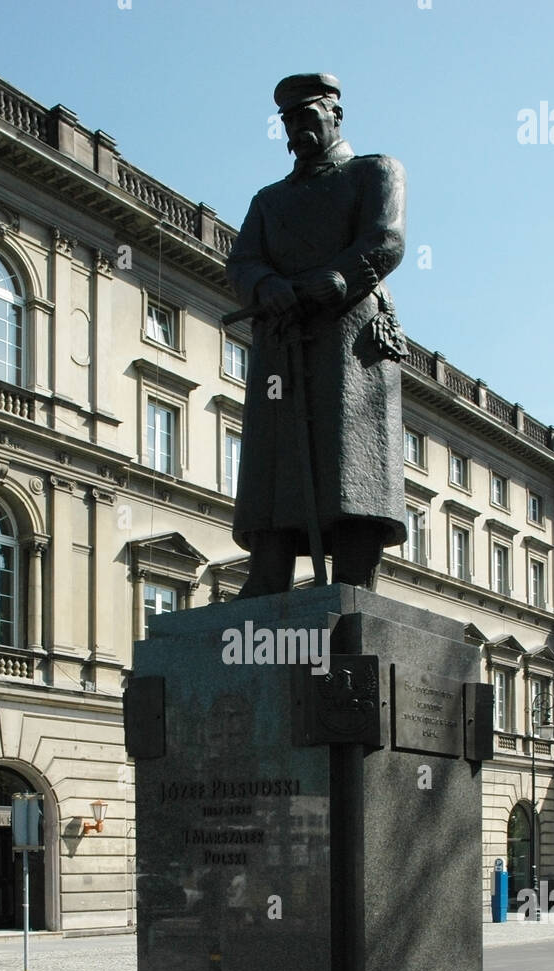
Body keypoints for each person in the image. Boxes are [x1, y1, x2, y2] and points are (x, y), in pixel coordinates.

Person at [226, 72, 409, 597]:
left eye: (306, 115)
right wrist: (265, 284)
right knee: (274, 457)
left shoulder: (375, 171)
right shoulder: (269, 200)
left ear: (335, 114)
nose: (295, 128)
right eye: (287, 120)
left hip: (349, 335)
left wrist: (338, 277)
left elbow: (386, 239)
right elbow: (241, 263)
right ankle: (268, 576)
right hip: (282, 337)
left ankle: (354, 582)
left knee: (351, 453)